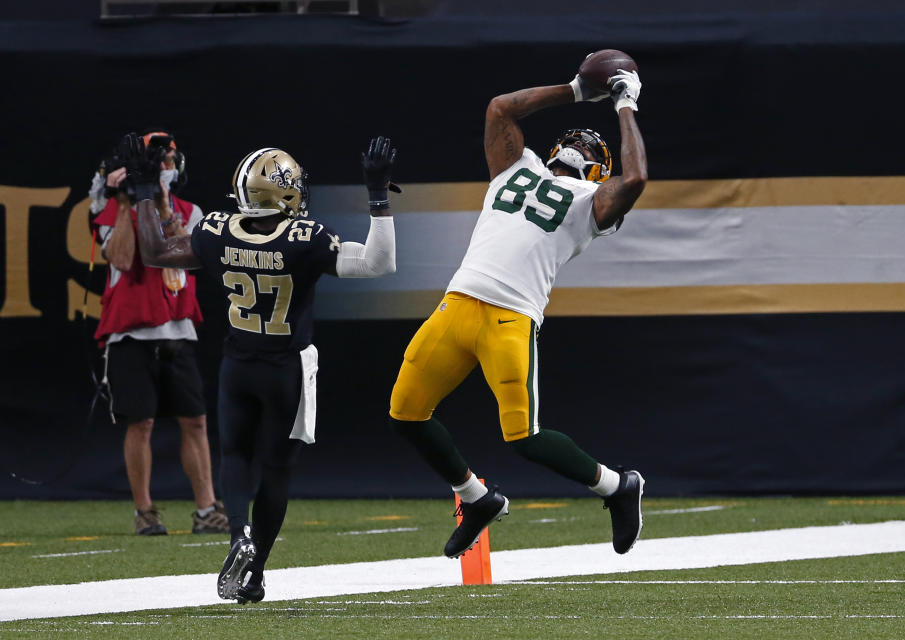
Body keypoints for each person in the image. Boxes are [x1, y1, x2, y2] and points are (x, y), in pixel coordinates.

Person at [388, 61, 648, 558]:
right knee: (405, 413)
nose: (579, 149)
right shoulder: (517, 165)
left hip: (512, 315)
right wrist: (574, 89)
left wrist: (624, 102)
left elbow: (635, 178)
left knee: (524, 436)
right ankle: (476, 497)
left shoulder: (591, 202)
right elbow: (500, 108)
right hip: (459, 300)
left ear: (598, 171)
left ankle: (618, 487)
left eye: (592, 150)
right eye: (575, 142)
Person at [132, 135, 400, 604]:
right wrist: (377, 195)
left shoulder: (217, 231)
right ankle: (254, 573)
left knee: (235, 455)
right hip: (287, 371)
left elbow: (154, 252)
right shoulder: (303, 238)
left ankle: (239, 536)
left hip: (238, 365)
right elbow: (380, 262)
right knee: (277, 469)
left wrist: (141, 192)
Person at [90, 130, 228, 536]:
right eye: (155, 162)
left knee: (196, 421)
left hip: (177, 328)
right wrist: (127, 200)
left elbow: (184, 253)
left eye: (166, 160)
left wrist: (162, 201)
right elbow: (122, 256)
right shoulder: (111, 210)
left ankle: (207, 509)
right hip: (130, 333)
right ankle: (145, 511)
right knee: (141, 423)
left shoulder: (190, 209)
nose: (162, 168)